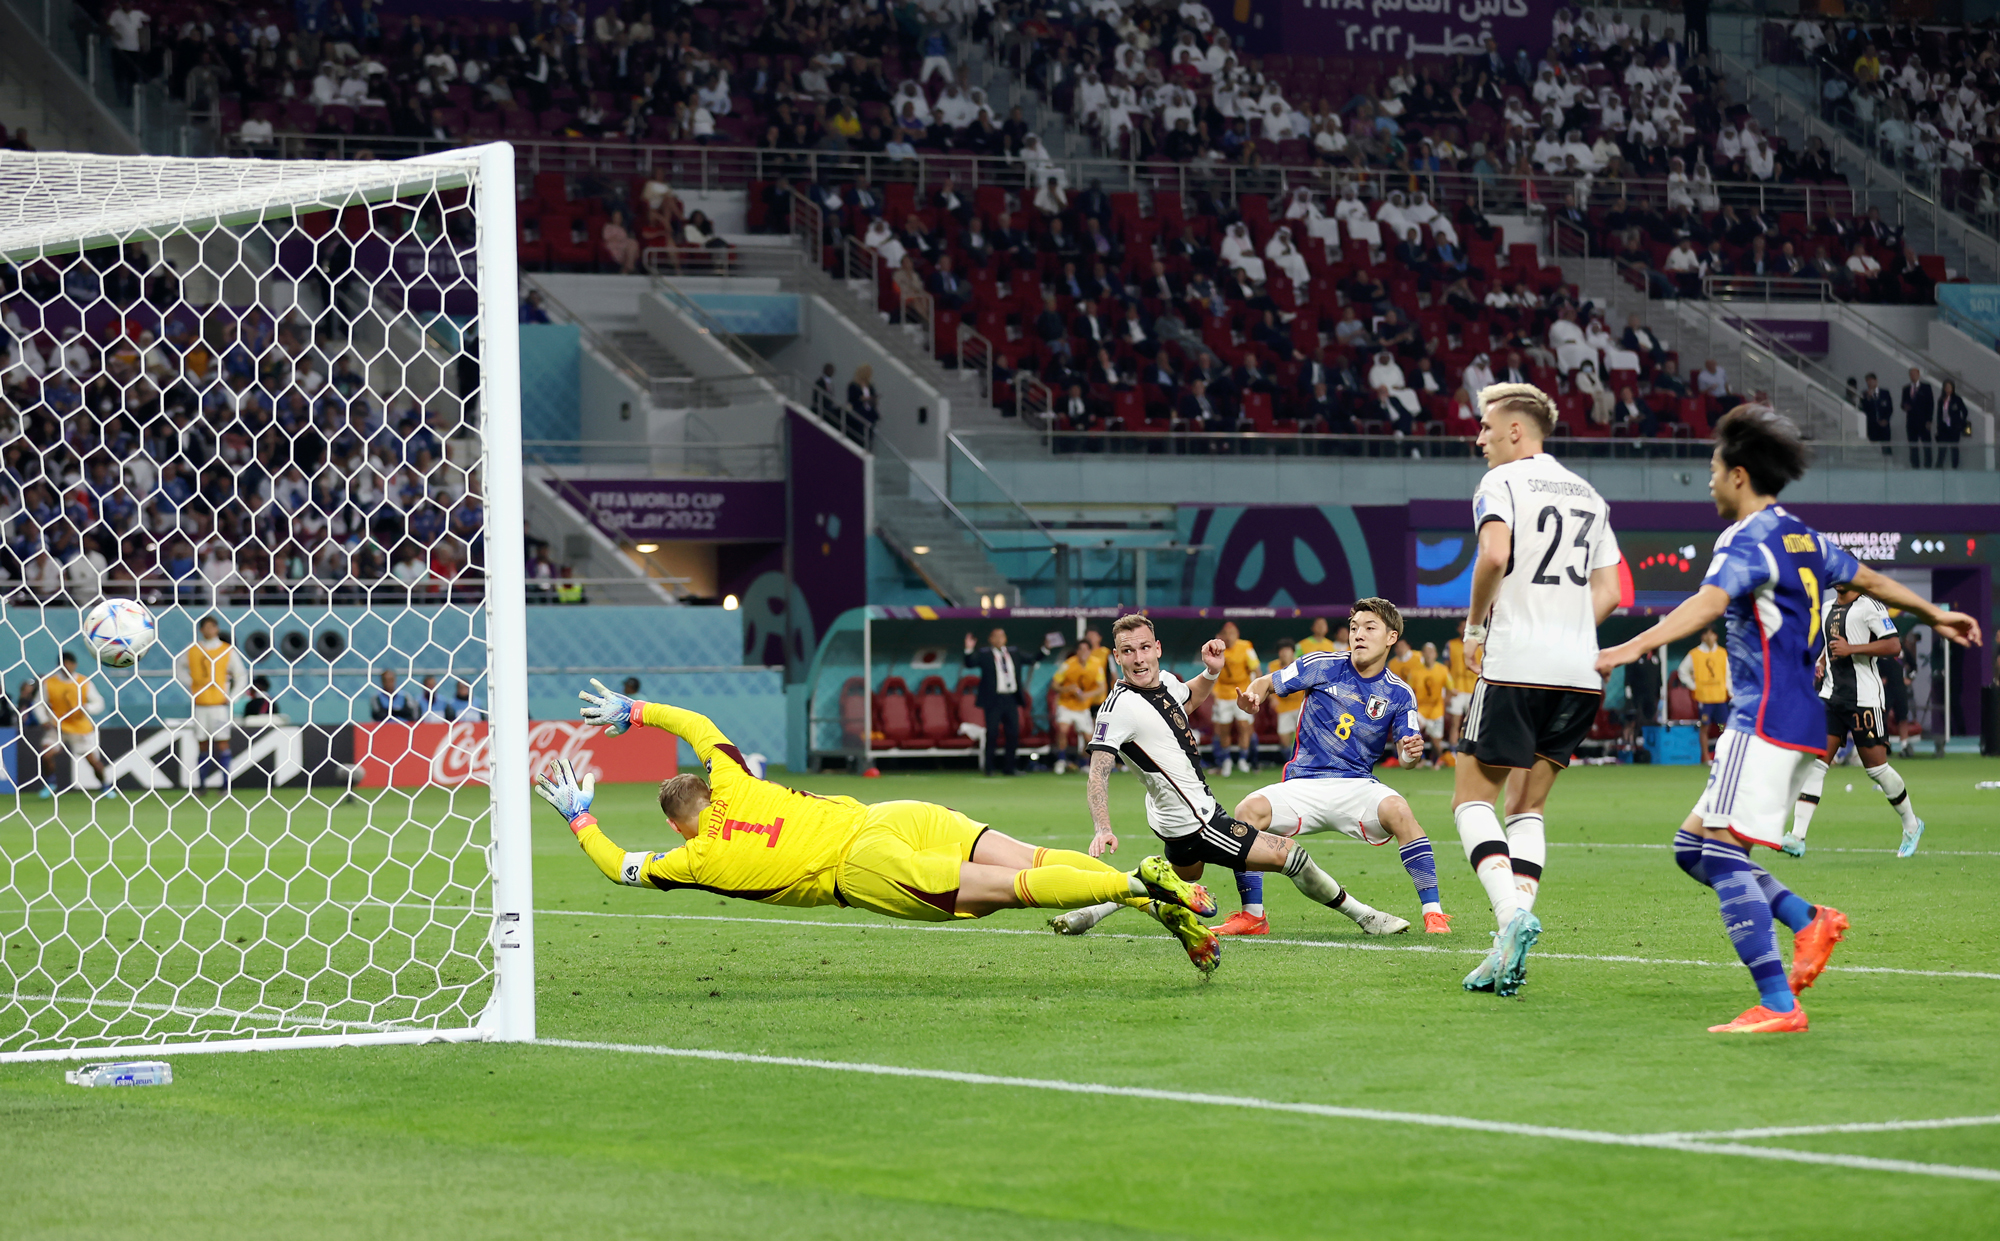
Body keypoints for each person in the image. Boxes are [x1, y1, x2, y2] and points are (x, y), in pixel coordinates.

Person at [1595, 406, 1980, 1033]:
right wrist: (1934, 613)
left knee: (1718, 854)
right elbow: (1871, 577)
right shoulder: (1802, 535)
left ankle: (1778, 1004)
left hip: (1765, 716)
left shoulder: (1746, 540)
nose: (1711, 481)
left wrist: (1626, 648)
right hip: (1795, 715)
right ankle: (1808, 919)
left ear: (1740, 475)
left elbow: (1705, 605)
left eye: (1715, 470)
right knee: (1692, 848)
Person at [544, 686, 1221, 975]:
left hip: (866, 866)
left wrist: (581, 816)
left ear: (674, 821)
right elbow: (695, 725)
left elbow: (617, 866)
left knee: (1015, 886)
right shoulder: (735, 778)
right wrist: (635, 710)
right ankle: (1151, 896)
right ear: (707, 785)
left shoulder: (693, 860)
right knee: (1036, 854)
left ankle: (1140, 880)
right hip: (892, 813)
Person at [1054, 615, 1409, 943]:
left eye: (1145, 648)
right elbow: (1099, 770)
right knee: (1291, 855)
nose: (1139, 658)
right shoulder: (1119, 708)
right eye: (1128, 651)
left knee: (1181, 877)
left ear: (1157, 648)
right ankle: (1366, 916)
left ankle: (1093, 910)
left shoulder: (1162, 683)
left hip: (1179, 816)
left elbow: (1186, 700)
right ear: (1117, 656)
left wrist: (1210, 673)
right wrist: (1102, 827)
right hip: (1197, 822)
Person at [1455, 383, 1622, 998]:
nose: (1479, 438)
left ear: (1516, 431)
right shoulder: (1588, 495)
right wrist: (1569, 631)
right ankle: (1505, 948)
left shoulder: (1502, 483)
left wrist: (1476, 626)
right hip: (1578, 672)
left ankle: (1509, 918)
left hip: (1516, 663)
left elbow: (1495, 555)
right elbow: (1610, 593)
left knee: (1471, 801)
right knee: (1527, 808)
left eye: (1485, 427)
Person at [1211, 599, 1450, 936]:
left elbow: (1408, 758)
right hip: (1303, 784)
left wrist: (1411, 754)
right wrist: (1252, 696)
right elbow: (1266, 682)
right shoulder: (1321, 664)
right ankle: (1253, 916)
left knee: (1400, 810)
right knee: (1246, 812)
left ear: (1391, 637)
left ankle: (1434, 914)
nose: (1359, 635)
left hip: (1357, 786)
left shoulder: (1399, 693)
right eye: (1354, 628)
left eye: (1370, 628)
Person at [1783, 583, 1926, 858]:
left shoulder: (1869, 606)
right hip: (1830, 697)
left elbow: (1894, 645)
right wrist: (1822, 661)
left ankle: (1912, 824)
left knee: (1877, 769)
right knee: (1815, 763)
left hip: (1865, 700)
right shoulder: (1827, 608)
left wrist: (1852, 649)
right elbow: (1829, 645)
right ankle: (1797, 837)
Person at [174, 615, 250, 799]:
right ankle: (201, 785)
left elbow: (241, 675)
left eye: (212, 627)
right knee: (202, 744)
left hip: (219, 706)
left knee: (222, 743)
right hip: (200, 705)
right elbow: (178, 668)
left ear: (216, 629)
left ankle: (225, 785)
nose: (209, 630)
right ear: (201, 630)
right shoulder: (192, 650)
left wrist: (232, 697)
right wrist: (191, 683)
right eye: (206, 627)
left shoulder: (227, 651)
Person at [962, 628, 1049, 775]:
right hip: (993, 699)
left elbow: (1033, 658)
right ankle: (989, 767)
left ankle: (1009, 767)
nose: (999, 639)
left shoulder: (1014, 653)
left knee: (1013, 732)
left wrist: (1046, 648)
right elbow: (970, 663)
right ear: (990, 639)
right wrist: (969, 649)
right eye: (995, 636)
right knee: (992, 733)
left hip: (1010, 699)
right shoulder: (985, 654)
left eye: (1002, 636)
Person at [39, 651, 115, 798]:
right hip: (58, 726)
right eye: (63, 664)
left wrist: (86, 708)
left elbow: (99, 702)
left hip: (80, 727)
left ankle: (105, 786)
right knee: (45, 754)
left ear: (75, 665)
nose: (66, 667)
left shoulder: (84, 682)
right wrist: (43, 720)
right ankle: (50, 783)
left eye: (69, 663)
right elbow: (39, 703)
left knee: (93, 761)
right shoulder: (49, 683)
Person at [1207, 621, 1260, 777]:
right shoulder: (1217, 650)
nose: (1230, 637)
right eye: (1227, 634)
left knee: (1244, 726)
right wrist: (1214, 692)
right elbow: (1212, 672)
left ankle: (1243, 759)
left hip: (1242, 693)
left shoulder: (1246, 647)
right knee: (1223, 728)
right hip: (1223, 694)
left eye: (1233, 634)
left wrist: (1254, 691)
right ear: (1222, 636)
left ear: (1237, 635)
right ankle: (1226, 761)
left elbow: (1256, 669)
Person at [1049, 641, 1106, 775]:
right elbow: (1054, 685)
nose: (1083, 653)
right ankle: (1061, 760)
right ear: (1077, 651)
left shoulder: (1096, 665)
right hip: (1066, 704)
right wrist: (1067, 689)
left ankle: (1084, 763)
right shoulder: (1068, 665)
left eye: (1086, 650)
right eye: (1080, 649)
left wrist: (1086, 695)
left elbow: (1101, 687)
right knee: (1063, 730)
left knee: (1088, 737)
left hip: (1083, 707)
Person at [1677, 627, 1730, 764]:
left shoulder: (1722, 653)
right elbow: (1682, 671)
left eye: (1711, 634)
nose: (1709, 637)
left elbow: (1728, 674)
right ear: (1702, 637)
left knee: (1722, 727)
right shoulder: (1695, 654)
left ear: (1716, 636)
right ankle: (1705, 757)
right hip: (1705, 698)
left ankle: (1722, 755)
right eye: (1706, 634)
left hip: (1720, 697)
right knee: (1705, 727)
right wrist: (1693, 686)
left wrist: (1730, 691)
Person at [1410, 641, 1453, 767]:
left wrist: (1445, 702)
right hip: (1420, 710)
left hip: (1436, 710)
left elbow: (1450, 689)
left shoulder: (1443, 670)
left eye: (1431, 652)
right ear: (1422, 654)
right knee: (1415, 735)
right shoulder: (1415, 671)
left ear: (1435, 654)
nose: (1428, 655)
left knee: (1436, 741)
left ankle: (1436, 761)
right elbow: (1410, 690)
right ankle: (1420, 759)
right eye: (1426, 652)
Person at [1902, 367, 1933, 468]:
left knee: (1926, 445)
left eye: (1914, 374)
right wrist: (1904, 406)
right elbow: (1902, 403)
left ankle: (1928, 465)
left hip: (1923, 421)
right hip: (1911, 421)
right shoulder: (1906, 389)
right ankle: (1915, 465)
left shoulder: (1926, 387)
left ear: (1918, 375)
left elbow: (1930, 404)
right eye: (1911, 374)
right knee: (1913, 445)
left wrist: (1929, 420)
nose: (1912, 376)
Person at [1858, 372, 1893, 455]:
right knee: (1874, 448)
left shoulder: (1885, 393)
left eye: (1871, 381)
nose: (1869, 383)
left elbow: (1890, 408)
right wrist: (1868, 398)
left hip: (1884, 425)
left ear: (1876, 381)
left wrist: (1886, 419)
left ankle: (1888, 463)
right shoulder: (1864, 394)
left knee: (1886, 446)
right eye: (1867, 381)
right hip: (1872, 425)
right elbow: (1863, 409)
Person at [1936, 379, 1968, 470]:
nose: (1948, 389)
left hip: (1954, 428)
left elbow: (1964, 411)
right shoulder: (1941, 400)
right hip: (1943, 429)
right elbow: (1939, 415)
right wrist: (1938, 428)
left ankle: (1955, 467)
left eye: (1949, 387)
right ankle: (1939, 467)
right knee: (1942, 449)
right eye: (1946, 387)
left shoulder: (1957, 399)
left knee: (1954, 449)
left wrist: (1960, 422)